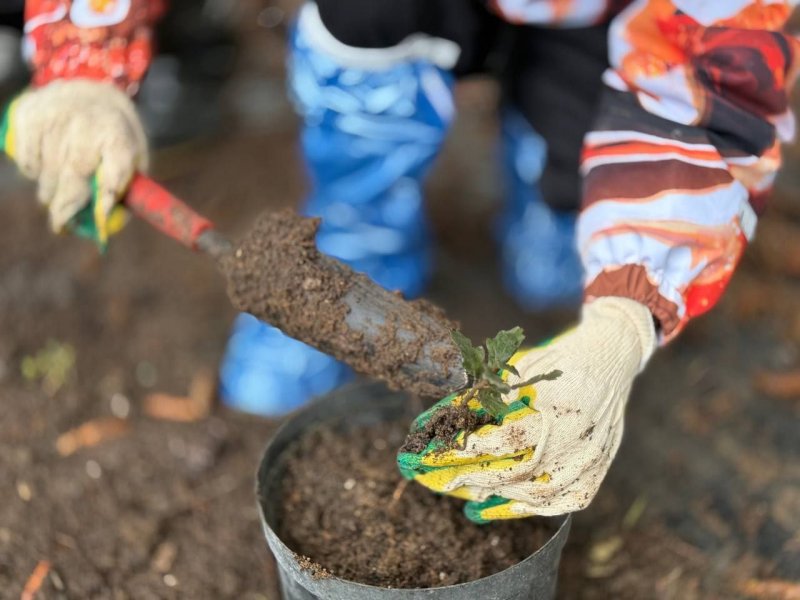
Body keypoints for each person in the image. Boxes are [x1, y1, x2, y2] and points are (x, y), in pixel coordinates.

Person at [3, 0, 797, 521]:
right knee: (366, 20)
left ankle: (552, 199)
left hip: (620, 19)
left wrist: (629, 304)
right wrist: (86, 58)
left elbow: (719, 70)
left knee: (561, 258)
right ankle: (361, 237)